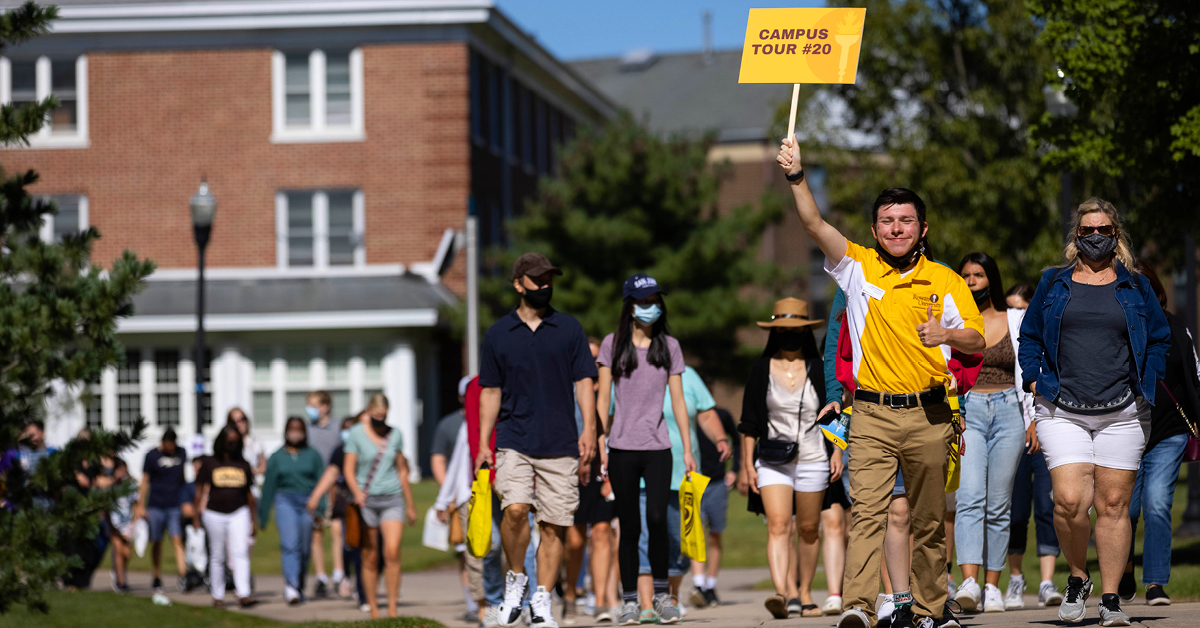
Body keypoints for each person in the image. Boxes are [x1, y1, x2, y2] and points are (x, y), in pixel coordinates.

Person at [778, 134, 985, 628]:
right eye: (888, 221)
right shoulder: (856, 267)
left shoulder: (945, 280)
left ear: (923, 228)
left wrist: (947, 333)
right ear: (874, 228)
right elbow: (812, 222)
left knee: (930, 522)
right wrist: (796, 176)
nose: (897, 228)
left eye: (906, 220)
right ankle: (857, 607)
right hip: (869, 414)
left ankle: (933, 610)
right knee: (866, 513)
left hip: (931, 414)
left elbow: (978, 341)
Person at [1018, 197, 1169, 626]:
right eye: (1088, 231)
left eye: (1104, 229)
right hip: (1061, 407)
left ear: (1115, 234)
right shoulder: (1053, 283)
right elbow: (1028, 338)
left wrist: (1150, 377)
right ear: (1076, 237)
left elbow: (1159, 339)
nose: (1096, 237)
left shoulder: (1136, 287)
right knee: (1068, 501)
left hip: (1122, 409)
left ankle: (1110, 599)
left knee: (1115, 502)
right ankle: (1078, 577)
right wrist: (1034, 377)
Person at [474, 253, 599, 628]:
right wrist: (484, 441)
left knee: (553, 525)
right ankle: (517, 580)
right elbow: (490, 392)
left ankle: (542, 601)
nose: (544, 285)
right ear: (518, 284)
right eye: (536, 279)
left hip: (560, 442)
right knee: (514, 510)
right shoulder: (498, 334)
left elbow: (584, 383)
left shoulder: (569, 329)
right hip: (513, 438)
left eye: (548, 279)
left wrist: (589, 428)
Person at [596, 272, 693, 626]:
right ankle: (630, 602)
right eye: (643, 302)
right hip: (621, 447)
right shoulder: (612, 344)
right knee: (630, 526)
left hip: (658, 448)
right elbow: (603, 395)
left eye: (655, 301)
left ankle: (664, 597)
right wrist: (600, 442)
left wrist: (687, 449)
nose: (650, 307)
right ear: (630, 305)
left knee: (657, 519)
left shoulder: (669, 346)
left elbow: (679, 401)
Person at [824, 286, 918, 625]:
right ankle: (865, 604)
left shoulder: (924, 282)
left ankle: (903, 599)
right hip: (864, 415)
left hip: (914, 412)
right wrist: (835, 402)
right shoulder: (852, 285)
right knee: (868, 513)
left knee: (904, 512)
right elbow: (835, 349)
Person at [738, 297, 836, 619]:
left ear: (806, 331)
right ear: (774, 332)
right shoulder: (760, 368)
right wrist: (746, 464)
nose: (789, 335)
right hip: (771, 460)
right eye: (782, 329)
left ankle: (805, 593)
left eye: (795, 330)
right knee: (779, 526)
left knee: (809, 529)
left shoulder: (819, 368)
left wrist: (837, 451)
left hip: (813, 458)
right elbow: (749, 423)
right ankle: (782, 592)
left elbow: (833, 413)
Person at [951, 253, 1030, 613]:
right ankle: (969, 582)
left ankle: (993, 586)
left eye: (978, 275)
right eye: (965, 275)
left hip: (1010, 413)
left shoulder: (1016, 319)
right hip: (969, 414)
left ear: (991, 279)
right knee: (968, 498)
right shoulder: (952, 321)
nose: (971, 281)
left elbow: (1031, 370)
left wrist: (1034, 420)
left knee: (999, 504)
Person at [1122, 263, 1195, 607]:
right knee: (1124, 508)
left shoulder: (1176, 327)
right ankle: (1122, 568)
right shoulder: (1116, 329)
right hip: (1125, 432)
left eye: (1142, 288)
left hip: (1168, 432)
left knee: (1156, 503)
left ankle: (1155, 584)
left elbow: (1193, 377)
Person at [632, 364, 729, 616]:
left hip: (682, 475)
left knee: (678, 539)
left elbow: (706, 413)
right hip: (641, 472)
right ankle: (645, 606)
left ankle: (669, 599)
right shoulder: (631, 369)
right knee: (644, 537)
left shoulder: (687, 374)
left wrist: (720, 438)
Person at [1002, 283, 1063, 610]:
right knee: (1015, 511)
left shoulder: (1044, 339)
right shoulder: (1005, 343)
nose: (1015, 316)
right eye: (1009, 309)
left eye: (1020, 309)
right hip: (1012, 431)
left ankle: (1047, 582)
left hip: (1046, 426)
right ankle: (1015, 580)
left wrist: (1038, 422)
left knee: (1046, 506)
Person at [345, 394, 418, 619]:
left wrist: (410, 505)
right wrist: (357, 492)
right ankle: (374, 608)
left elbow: (402, 470)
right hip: (367, 500)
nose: (379, 419)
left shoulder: (395, 434)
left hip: (392, 497)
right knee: (370, 556)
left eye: (383, 415)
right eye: (375, 415)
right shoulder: (356, 434)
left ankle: (393, 607)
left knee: (392, 551)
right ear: (368, 412)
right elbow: (348, 468)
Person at [564, 338, 614, 624]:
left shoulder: (610, 393)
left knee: (603, 532)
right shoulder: (569, 392)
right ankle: (570, 593)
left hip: (602, 468)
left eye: (599, 362)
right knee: (574, 540)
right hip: (570, 467)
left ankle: (601, 600)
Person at [260, 417, 326, 605]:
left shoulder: (313, 455)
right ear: (286, 432)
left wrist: (320, 508)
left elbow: (321, 482)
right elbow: (269, 487)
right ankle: (291, 585)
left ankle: (299, 585)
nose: (295, 434)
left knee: (304, 548)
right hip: (285, 500)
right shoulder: (277, 457)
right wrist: (263, 515)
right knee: (290, 543)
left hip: (308, 502)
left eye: (299, 430)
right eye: (292, 430)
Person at [309, 415, 370, 611]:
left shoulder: (371, 447)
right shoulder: (340, 451)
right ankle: (359, 590)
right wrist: (316, 496)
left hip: (374, 503)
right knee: (351, 545)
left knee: (373, 550)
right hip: (350, 505)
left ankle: (363, 587)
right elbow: (332, 474)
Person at [195, 424, 258, 609]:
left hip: (239, 512)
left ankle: (244, 593)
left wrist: (253, 520)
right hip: (214, 513)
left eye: (235, 441)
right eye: (229, 441)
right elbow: (199, 490)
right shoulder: (210, 462)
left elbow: (249, 495)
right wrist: (196, 516)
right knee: (217, 555)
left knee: (241, 552)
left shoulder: (243, 464)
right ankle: (218, 595)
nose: (232, 444)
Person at [689, 401, 741, 610]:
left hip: (718, 481)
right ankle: (698, 584)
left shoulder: (722, 415)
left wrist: (734, 469)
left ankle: (710, 586)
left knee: (715, 534)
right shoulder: (688, 415)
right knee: (696, 534)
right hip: (695, 480)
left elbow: (737, 441)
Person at [432, 376, 476, 618]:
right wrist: (446, 496)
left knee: (494, 551)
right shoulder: (451, 425)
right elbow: (443, 460)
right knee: (468, 552)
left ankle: (492, 602)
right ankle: (475, 605)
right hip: (463, 496)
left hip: (492, 496)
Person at [135, 428, 189, 594]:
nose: (171, 449)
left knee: (177, 539)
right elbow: (145, 481)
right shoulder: (151, 456)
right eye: (168, 445)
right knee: (156, 541)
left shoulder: (182, 454)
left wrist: (186, 500)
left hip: (174, 505)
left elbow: (184, 478)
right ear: (163, 443)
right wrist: (140, 505)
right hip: (156, 505)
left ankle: (183, 575)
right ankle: (157, 575)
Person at [305, 390, 345, 599]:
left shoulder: (338, 428)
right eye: (309, 405)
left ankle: (339, 574)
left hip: (335, 487)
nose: (311, 409)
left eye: (314, 404)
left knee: (337, 530)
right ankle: (321, 576)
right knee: (316, 532)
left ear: (325, 406)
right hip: (314, 487)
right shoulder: (306, 430)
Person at [106, 458, 136, 594]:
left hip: (127, 524)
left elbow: (136, 504)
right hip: (114, 523)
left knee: (126, 553)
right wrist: (111, 526)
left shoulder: (130, 486)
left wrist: (134, 523)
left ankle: (120, 572)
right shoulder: (110, 487)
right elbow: (105, 508)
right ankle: (121, 582)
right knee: (118, 549)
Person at [226, 407, 267, 482]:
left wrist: (247, 472)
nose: (239, 424)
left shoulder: (256, 443)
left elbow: (263, 468)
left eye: (242, 419)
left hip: (251, 485)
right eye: (234, 422)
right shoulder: (226, 444)